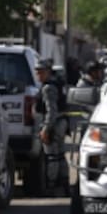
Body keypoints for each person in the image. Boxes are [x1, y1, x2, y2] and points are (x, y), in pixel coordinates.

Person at [33, 57, 68, 196]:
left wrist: (46, 129)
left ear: (48, 72)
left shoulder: (48, 88)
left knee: (52, 157)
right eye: (37, 72)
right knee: (59, 155)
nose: (38, 75)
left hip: (54, 124)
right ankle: (64, 186)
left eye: (41, 72)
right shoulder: (56, 84)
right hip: (60, 123)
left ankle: (51, 188)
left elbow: (51, 110)